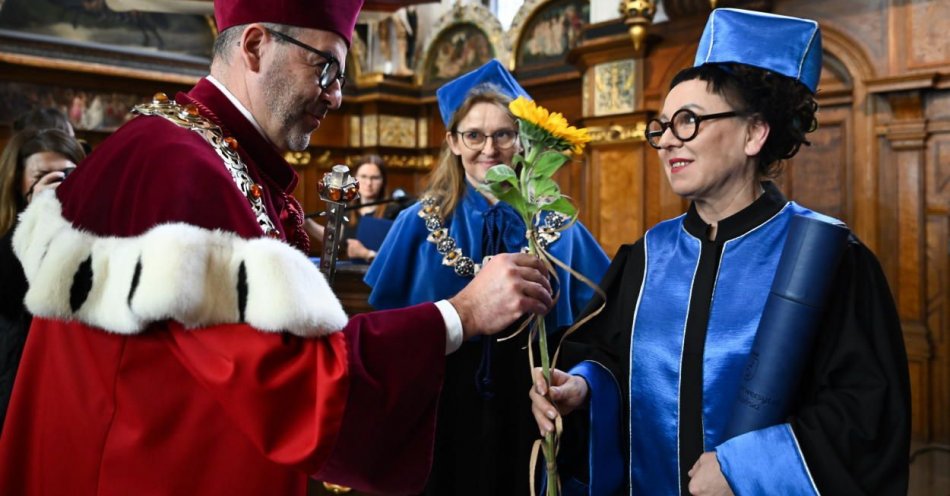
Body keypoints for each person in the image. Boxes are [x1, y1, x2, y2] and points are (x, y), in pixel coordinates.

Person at [0, 1, 555, 495]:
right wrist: (461, 313)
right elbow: (292, 383)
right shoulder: (177, 168)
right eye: (326, 68)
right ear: (256, 45)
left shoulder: (207, 153)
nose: (337, 95)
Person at [529, 9, 910, 496]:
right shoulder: (648, 256)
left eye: (688, 122)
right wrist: (580, 387)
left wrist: (746, 469)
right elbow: (606, 354)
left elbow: (864, 414)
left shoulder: (824, 258)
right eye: (662, 126)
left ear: (755, 133)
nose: (666, 141)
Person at [365, 59, 610, 495]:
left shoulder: (561, 226)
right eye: (474, 135)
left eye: (503, 133)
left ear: (522, 141)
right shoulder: (414, 223)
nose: (488, 148)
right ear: (453, 142)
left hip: (530, 409)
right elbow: (390, 331)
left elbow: (597, 332)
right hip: (440, 409)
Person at [0, 128, 85, 430]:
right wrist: (36, 216)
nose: (56, 182)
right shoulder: (7, 234)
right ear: (17, 181)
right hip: (16, 372)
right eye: (41, 175)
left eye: (66, 173)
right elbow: (8, 296)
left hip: (69, 379)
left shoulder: (93, 232)